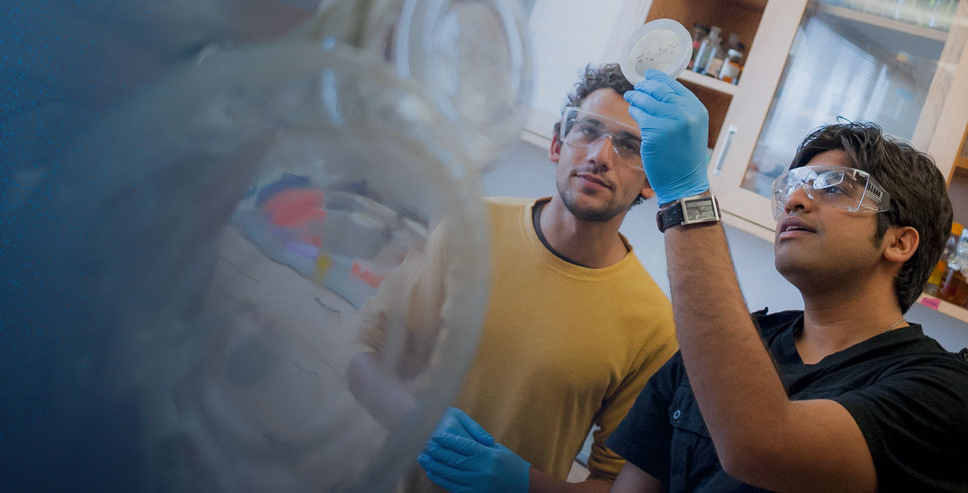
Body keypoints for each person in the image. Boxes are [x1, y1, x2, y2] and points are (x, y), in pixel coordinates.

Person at [603, 70, 968, 491]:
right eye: (793, 186)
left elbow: (761, 445)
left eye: (832, 187)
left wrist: (687, 199)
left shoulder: (941, 393)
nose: (795, 199)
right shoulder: (723, 345)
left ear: (899, 242)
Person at [354, 64, 678, 492]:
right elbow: (366, 358)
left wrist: (525, 484)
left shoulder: (655, 326)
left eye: (628, 146)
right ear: (558, 144)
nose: (601, 156)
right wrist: (416, 423)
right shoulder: (471, 228)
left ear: (650, 181)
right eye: (588, 131)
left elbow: (619, 484)